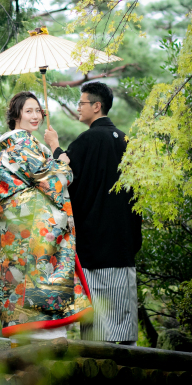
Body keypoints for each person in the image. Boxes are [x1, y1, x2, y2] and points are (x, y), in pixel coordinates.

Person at [0, 91, 93, 341]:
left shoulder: (13, 149)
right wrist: (60, 156)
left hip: (19, 231)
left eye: (38, 110)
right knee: (41, 283)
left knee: (22, 281)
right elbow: (58, 179)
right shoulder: (23, 145)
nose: (36, 115)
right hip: (36, 231)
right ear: (16, 115)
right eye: (29, 110)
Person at [43, 81, 142, 344]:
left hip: (94, 242)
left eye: (82, 103)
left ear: (96, 106)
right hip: (123, 241)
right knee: (123, 321)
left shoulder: (87, 140)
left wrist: (54, 146)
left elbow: (66, 179)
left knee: (98, 328)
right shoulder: (126, 141)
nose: (78, 108)